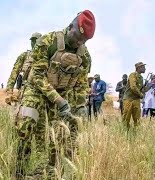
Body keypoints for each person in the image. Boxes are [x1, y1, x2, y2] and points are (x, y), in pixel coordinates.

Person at [14, 10, 95, 179]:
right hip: (36, 90)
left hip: (62, 94)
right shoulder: (48, 42)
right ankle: (19, 171)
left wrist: (80, 106)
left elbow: (80, 84)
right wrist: (58, 100)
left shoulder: (84, 55)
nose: (80, 42)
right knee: (26, 124)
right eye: (78, 37)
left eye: (84, 41)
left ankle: (50, 171)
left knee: (58, 133)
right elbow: (36, 76)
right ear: (70, 27)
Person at [5, 32, 42, 105]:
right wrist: (9, 92)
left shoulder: (46, 57)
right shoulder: (24, 55)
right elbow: (14, 74)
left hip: (41, 91)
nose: (34, 42)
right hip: (25, 91)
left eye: (36, 40)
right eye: (32, 40)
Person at [122, 62, 151, 130]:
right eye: (143, 67)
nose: (145, 69)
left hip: (136, 100)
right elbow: (133, 87)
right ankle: (125, 132)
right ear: (139, 68)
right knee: (126, 118)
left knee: (137, 119)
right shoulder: (133, 75)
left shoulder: (141, 78)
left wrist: (148, 87)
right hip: (129, 100)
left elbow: (141, 90)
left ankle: (136, 133)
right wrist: (141, 94)